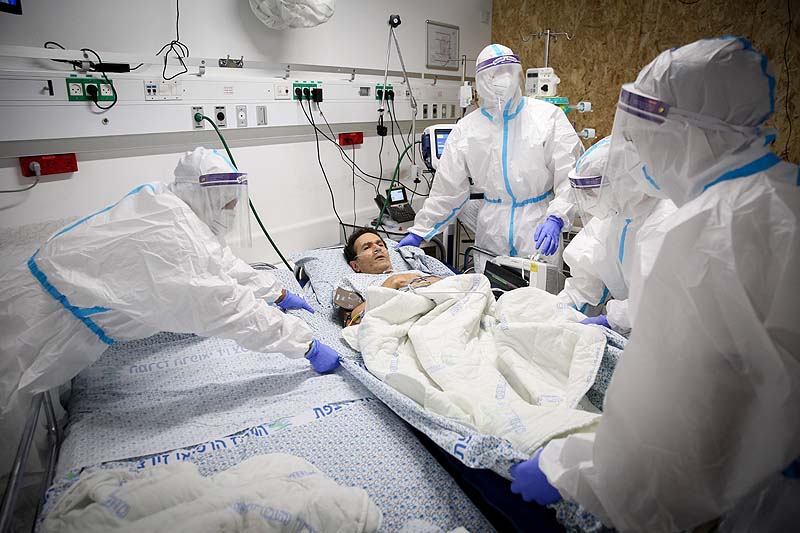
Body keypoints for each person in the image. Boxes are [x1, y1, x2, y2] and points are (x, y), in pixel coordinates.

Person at [510, 37, 800, 531]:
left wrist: (578, 472)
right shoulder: (782, 193)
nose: (640, 152)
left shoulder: (707, 229)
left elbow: (673, 408)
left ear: (686, 132)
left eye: (646, 135)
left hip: (759, 484)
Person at [0, 147, 342, 431]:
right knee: (14, 445)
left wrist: (277, 293)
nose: (231, 212)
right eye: (226, 204)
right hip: (29, 328)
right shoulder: (172, 234)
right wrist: (307, 345)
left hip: (55, 318)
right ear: (199, 193)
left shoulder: (172, 208)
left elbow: (219, 261)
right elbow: (227, 306)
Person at [396, 44, 583, 270]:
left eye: (508, 72)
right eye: (495, 74)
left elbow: (571, 175)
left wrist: (556, 218)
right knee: (490, 294)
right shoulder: (467, 129)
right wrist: (419, 231)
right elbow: (447, 190)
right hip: (492, 229)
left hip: (537, 226)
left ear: (517, 74)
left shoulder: (547, 118)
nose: (503, 79)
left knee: (538, 297)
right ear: (481, 81)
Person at [557, 136, 676, 334]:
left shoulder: (665, 222)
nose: (588, 200)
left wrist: (612, 319)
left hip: (667, 335)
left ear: (623, 183)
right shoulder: (616, 215)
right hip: (634, 329)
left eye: (592, 192)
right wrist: (560, 309)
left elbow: (661, 299)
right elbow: (587, 279)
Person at [339, 228, 442, 326]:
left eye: (380, 244)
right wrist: (391, 283)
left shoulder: (415, 271)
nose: (377, 248)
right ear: (355, 266)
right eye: (367, 247)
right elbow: (352, 320)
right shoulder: (351, 281)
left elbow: (452, 285)